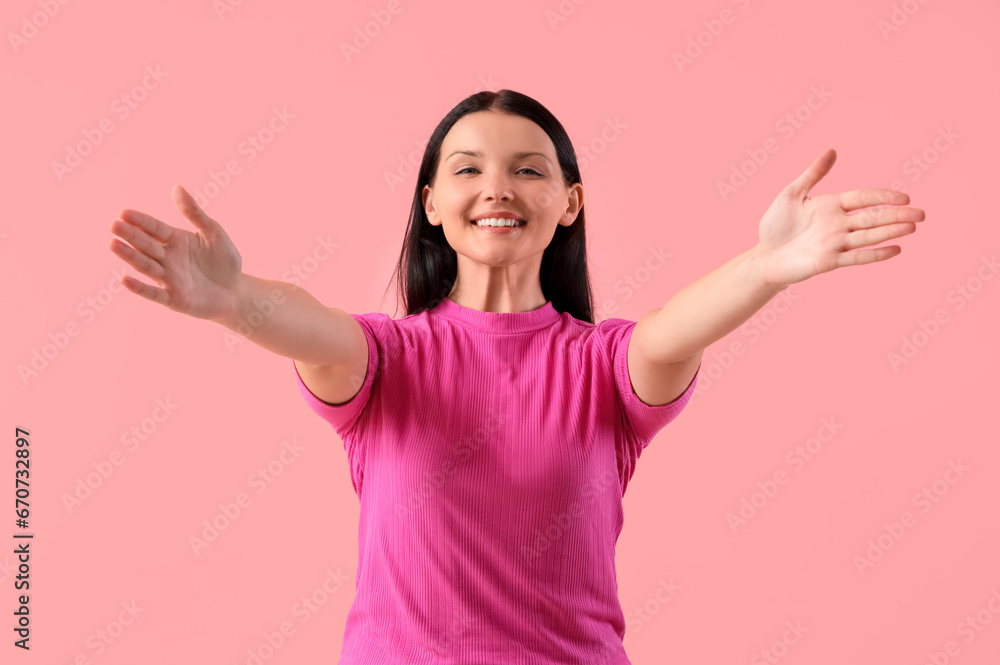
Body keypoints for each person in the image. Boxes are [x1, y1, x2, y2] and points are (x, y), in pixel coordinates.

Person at [108, 89, 925, 664]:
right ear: (431, 203)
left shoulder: (604, 366)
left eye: (528, 170)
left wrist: (767, 266)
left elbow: (677, 327)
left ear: (570, 202)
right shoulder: (385, 360)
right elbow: (304, 324)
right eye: (467, 169)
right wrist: (232, 300)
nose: (497, 186)